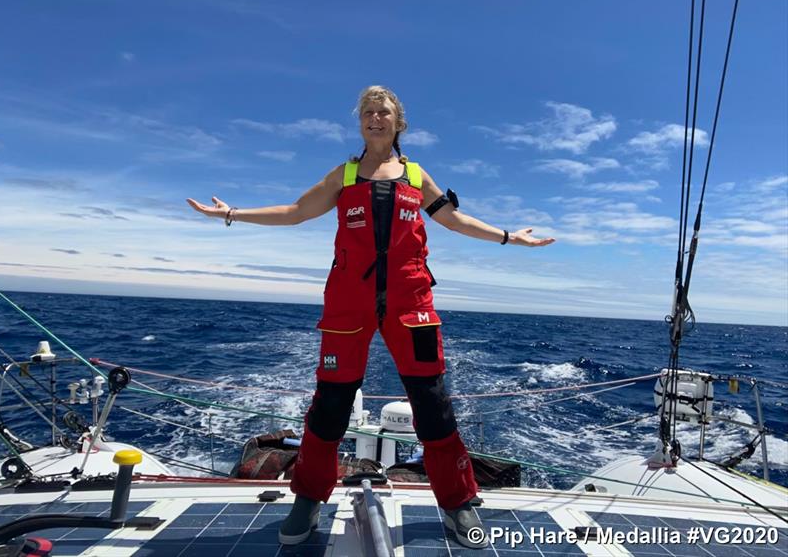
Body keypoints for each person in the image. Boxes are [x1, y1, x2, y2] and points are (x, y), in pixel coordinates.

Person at [187, 85, 555, 549]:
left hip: (411, 305)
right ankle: (308, 497)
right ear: (359, 122)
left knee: (434, 406)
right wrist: (232, 214)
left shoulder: (418, 177)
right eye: (367, 113)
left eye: (383, 113)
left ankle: (457, 501)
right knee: (330, 407)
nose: (375, 119)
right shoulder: (343, 176)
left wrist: (508, 237)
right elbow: (296, 211)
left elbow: (455, 221)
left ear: (398, 122)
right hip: (348, 305)